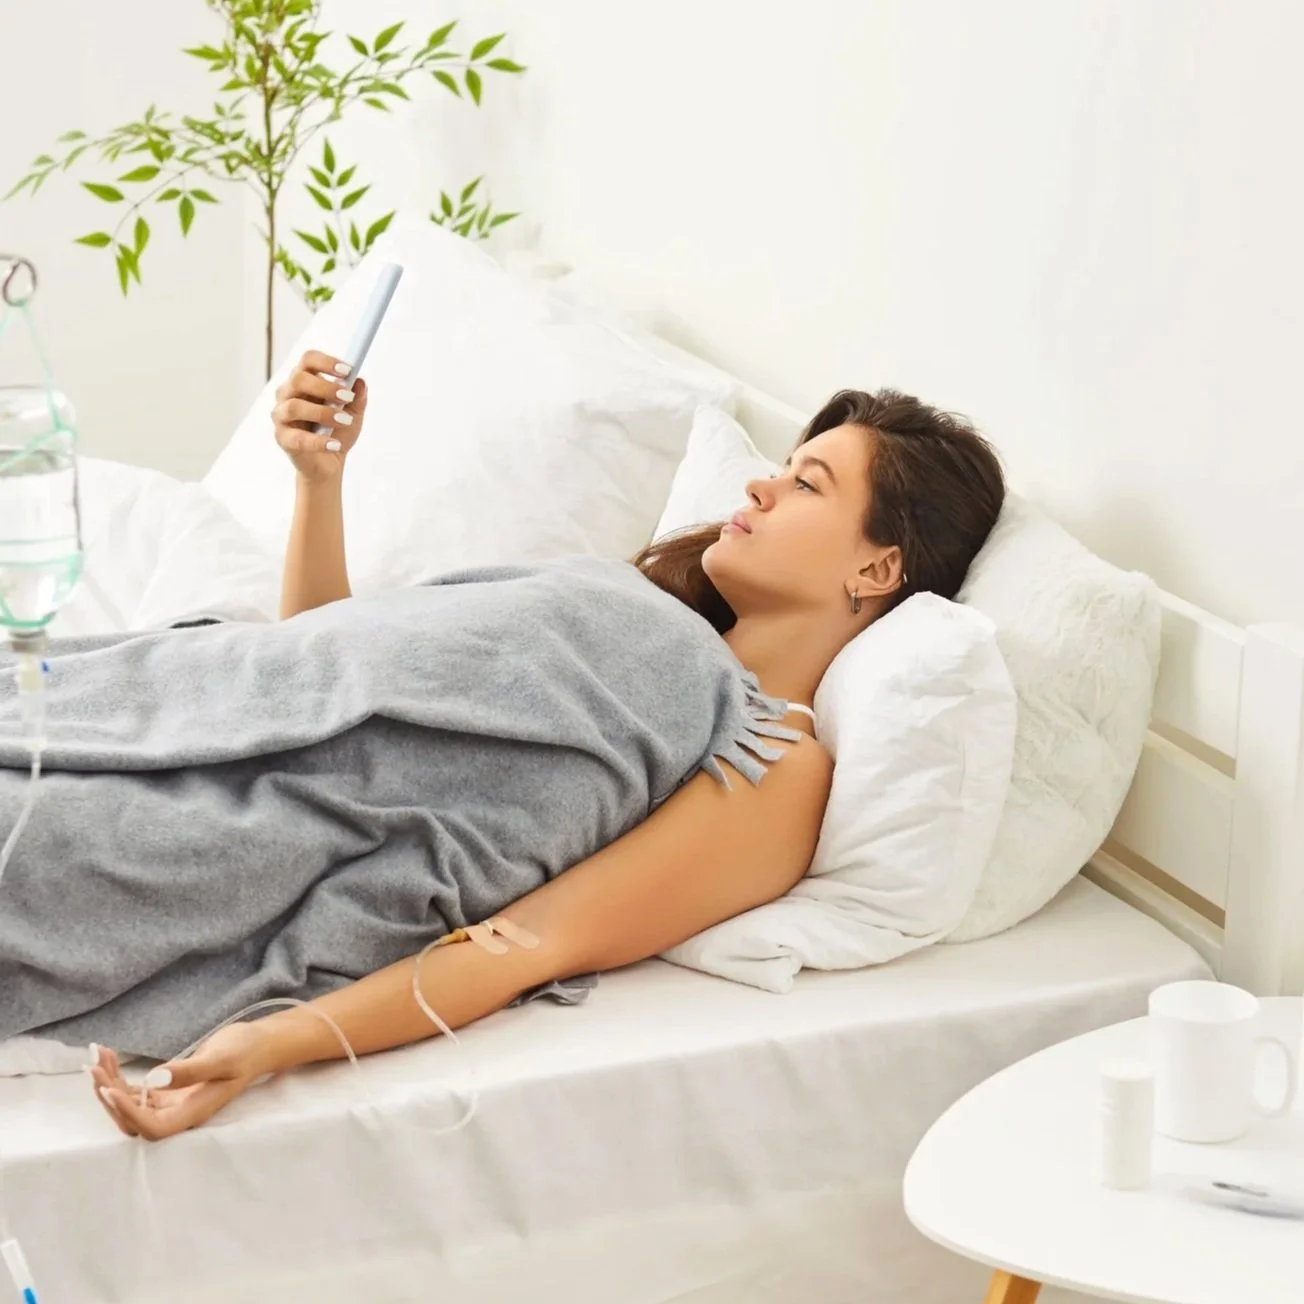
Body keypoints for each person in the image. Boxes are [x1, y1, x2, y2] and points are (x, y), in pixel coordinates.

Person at [46, 350, 1002, 1139]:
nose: (761, 482)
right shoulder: (631, 608)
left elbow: (528, 943)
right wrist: (319, 481)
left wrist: (266, 1046)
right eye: (783, 464)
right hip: (189, 705)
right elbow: (326, 670)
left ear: (878, 565)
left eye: (806, 484)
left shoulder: (777, 765)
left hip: (242, 820)